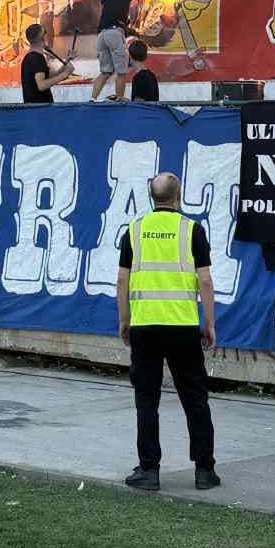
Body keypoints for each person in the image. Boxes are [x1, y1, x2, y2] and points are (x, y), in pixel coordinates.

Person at [116, 172, 219, 493]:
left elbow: (122, 280)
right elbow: (205, 281)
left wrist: (125, 319)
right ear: (179, 196)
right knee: (195, 399)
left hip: (145, 328)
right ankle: (204, 471)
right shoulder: (193, 231)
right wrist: (210, 323)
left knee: (147, 400)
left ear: (152, 197)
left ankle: (149, 471)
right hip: (183, 327)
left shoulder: (133, 231)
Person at [90, 0, 159, 102]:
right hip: (114, 33)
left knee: (105, 72)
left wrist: (132, 31)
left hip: (101, 35)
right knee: (121, 72)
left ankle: (92, 98)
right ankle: (119, 99)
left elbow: (113, 18)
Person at [18, 22, 74, 104]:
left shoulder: (29, 58)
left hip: (35, 109)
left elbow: (48, 76)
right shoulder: (37, 59)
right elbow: (41, 85)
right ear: (43, 38)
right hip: (41, 109)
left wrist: (67, 62)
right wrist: (64, 75)